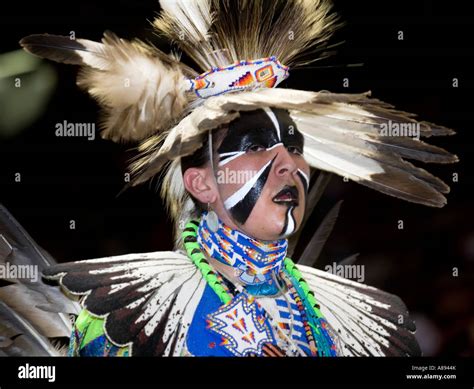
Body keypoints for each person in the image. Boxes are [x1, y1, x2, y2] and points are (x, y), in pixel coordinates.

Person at [9, 0, 457, 356]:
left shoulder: (369, 320)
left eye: (295, 148)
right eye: (257, 145)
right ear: (201, 184)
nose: (292, 166)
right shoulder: (122, 314)